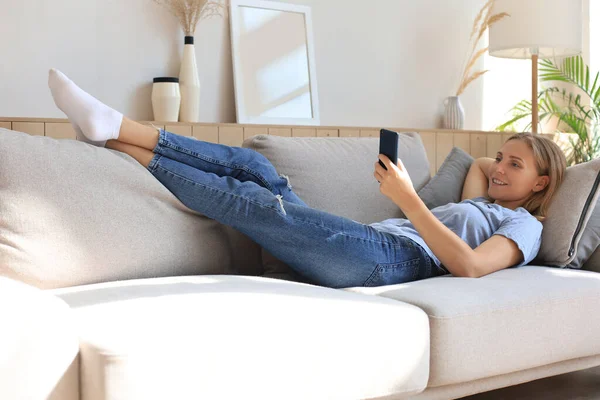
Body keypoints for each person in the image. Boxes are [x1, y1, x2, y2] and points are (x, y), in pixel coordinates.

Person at [46, 68, 567, 289]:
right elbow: (475, 166)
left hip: (390, 261)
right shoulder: (488, 198)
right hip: (370, 241)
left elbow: (472, 266)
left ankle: (113, 138)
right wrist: (500, 167)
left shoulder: (525, 229)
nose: (497, 167)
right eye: (500, 156)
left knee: (253, 202)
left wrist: (409, 201)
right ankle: (115, 129)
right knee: (255, 168)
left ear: (542, 185)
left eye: (515, 166)